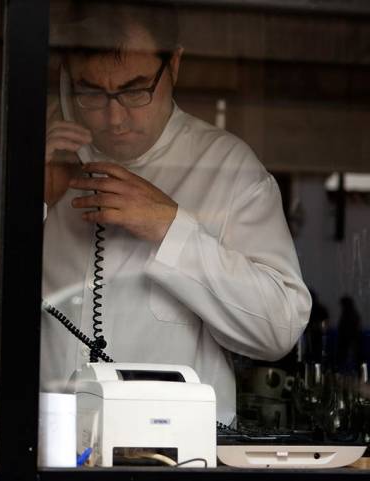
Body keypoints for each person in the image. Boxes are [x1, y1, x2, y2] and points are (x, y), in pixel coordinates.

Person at [41, 4, 311, 424]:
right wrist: (34, 200)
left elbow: (278, 329)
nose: (114, 118)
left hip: (176, 452)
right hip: (48, 445)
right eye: (91, 92)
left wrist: (169, 227)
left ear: (175, 65)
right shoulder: (47, 163)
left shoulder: (227, 168)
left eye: (134, 91)